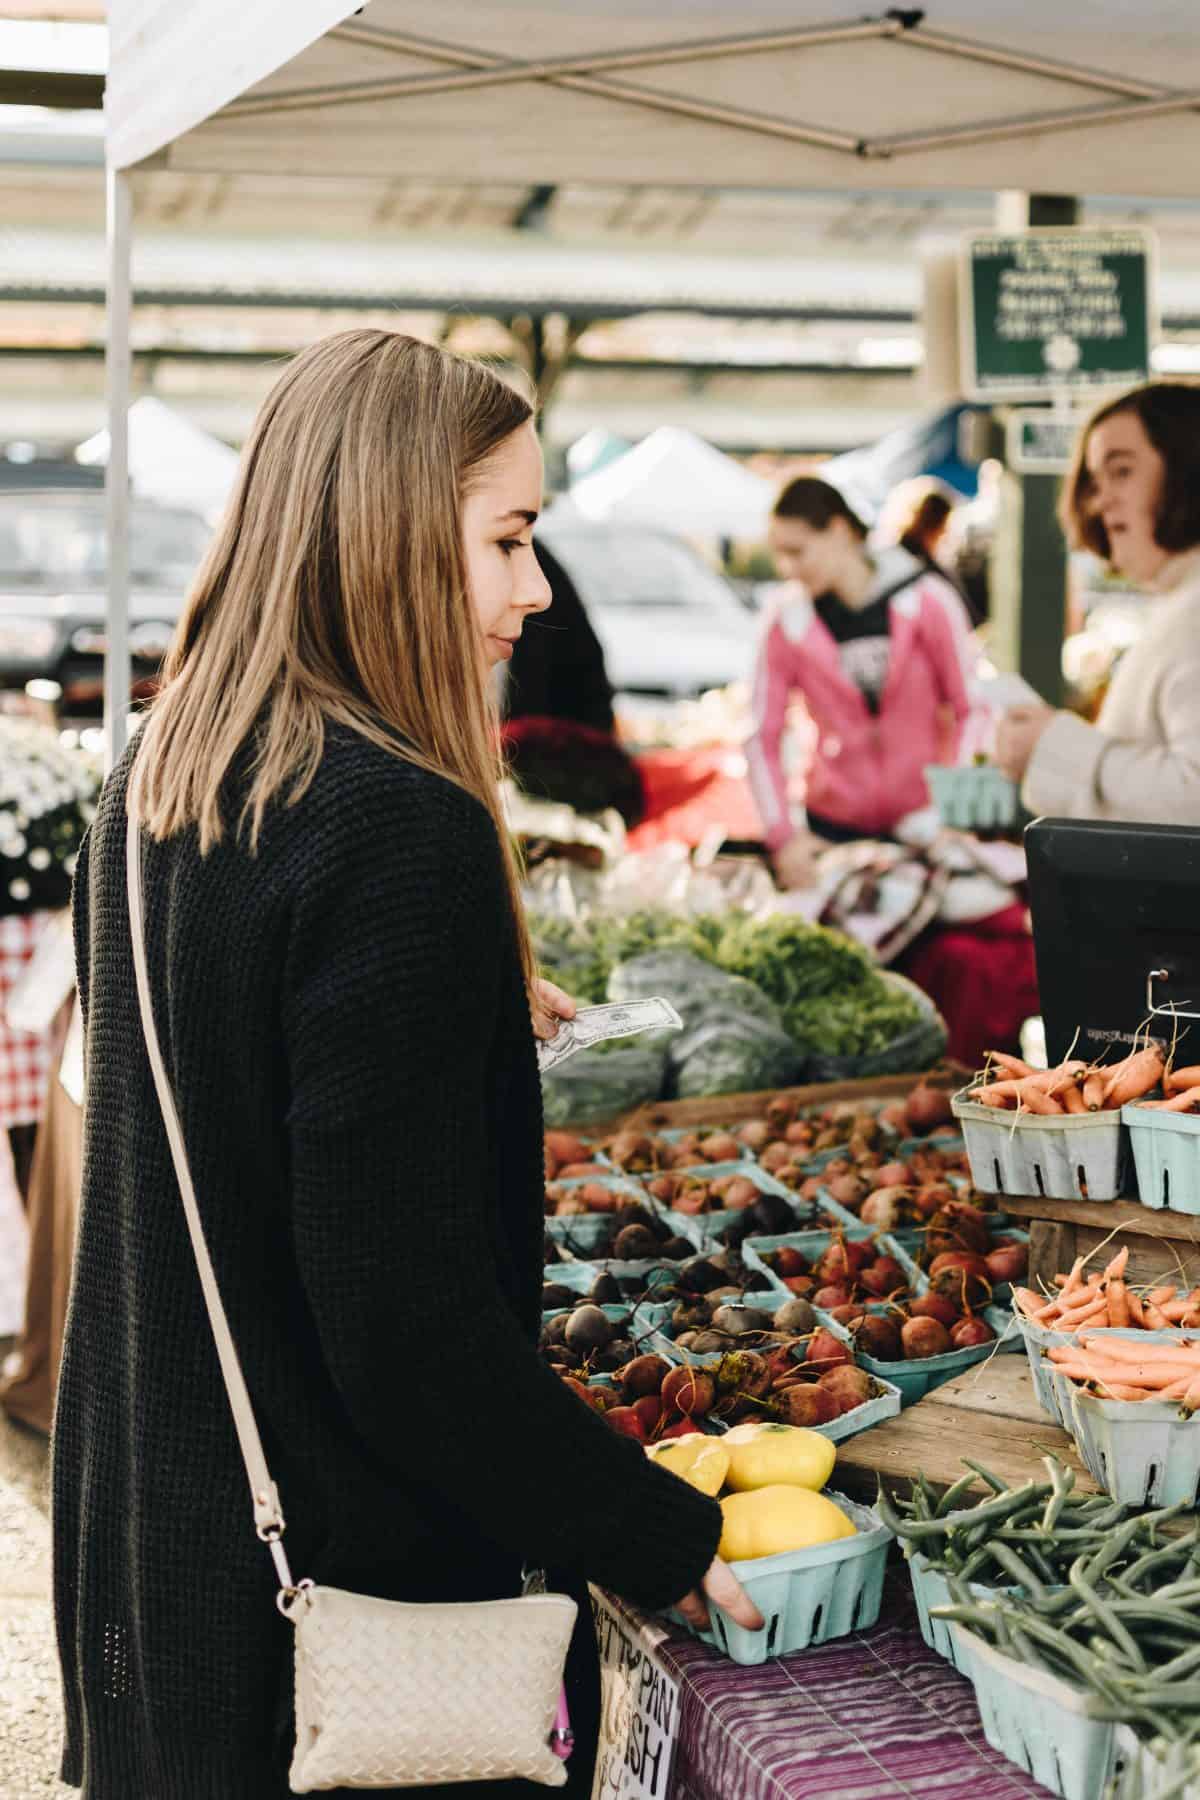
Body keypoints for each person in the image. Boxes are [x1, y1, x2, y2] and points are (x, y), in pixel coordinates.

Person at [53, 330, 760, 1800]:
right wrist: (653, 1536)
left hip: (161, 1549)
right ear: (384, 531)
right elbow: (409, 1336)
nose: (536, 589)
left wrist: (457, 1006)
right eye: (506, 538)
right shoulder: (394, 827)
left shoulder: (154, 773)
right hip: (339, 1611)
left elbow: (220, 1076)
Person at [747, 475, 977, 889]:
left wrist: (954, 814)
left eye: (797, 551)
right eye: (779, 554)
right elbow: (761, 734)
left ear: (839, 530)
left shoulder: (928, 599)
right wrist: (784, 837)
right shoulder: (785, 620)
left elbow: (971, 709)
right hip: (829, 832)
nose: (787, 569)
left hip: (924, 828)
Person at [996, 381, 1200, 825]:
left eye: (1122, 471)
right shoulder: (1180, 601)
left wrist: (1053, 747)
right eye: (1095, 480)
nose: (1100, 502)